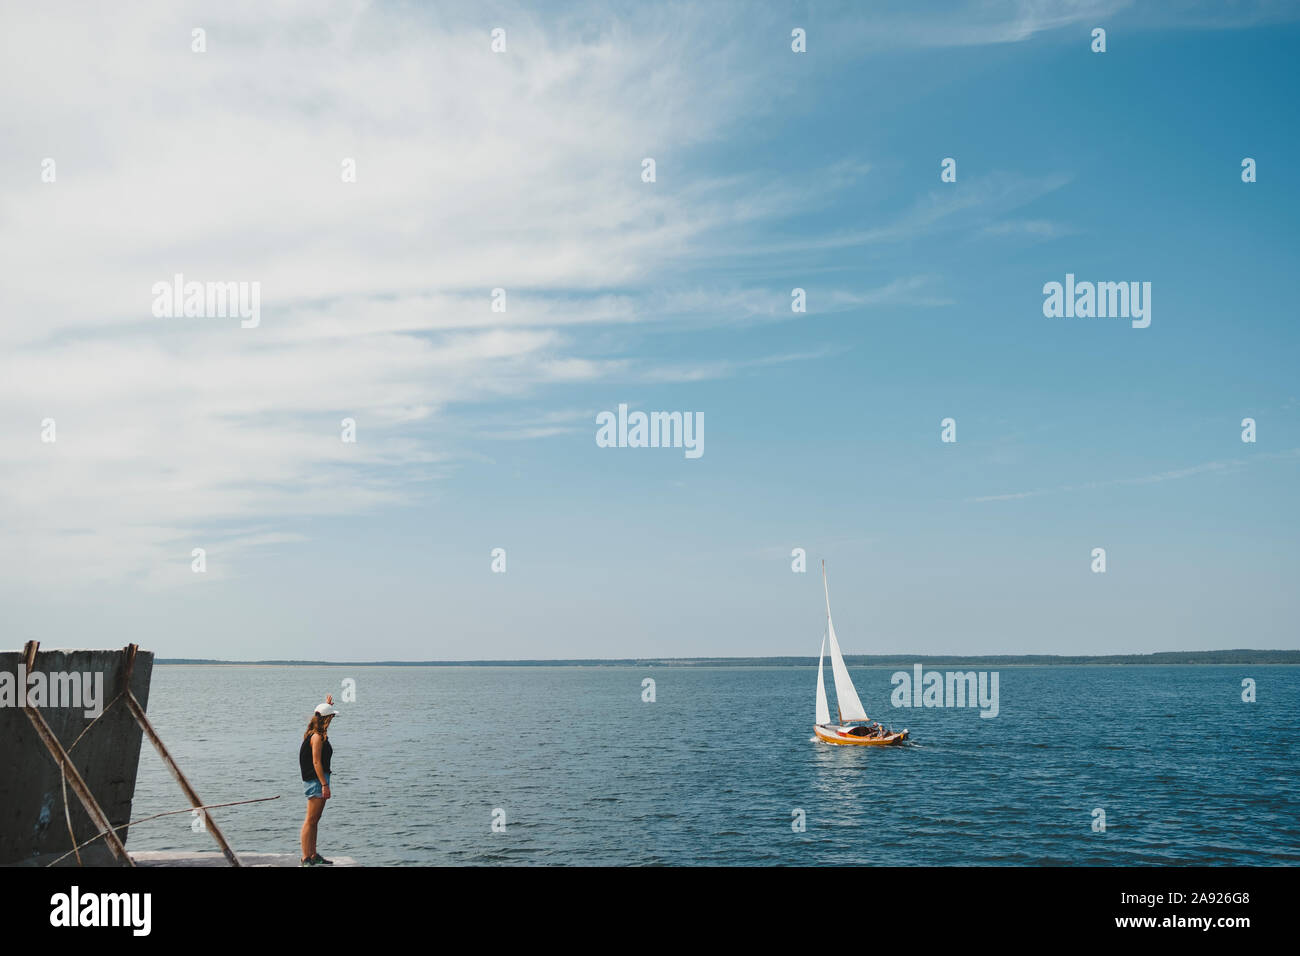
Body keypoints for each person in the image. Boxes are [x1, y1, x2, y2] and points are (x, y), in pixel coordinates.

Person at [299, 696, 339, 867]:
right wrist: (324, 784)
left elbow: (321, 717)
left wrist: (327, 706)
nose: (333, 720)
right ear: (326, 719)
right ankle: (305, 858)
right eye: (331, 717)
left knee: (315, 820)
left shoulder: (318, 732)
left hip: (318, 779)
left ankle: (313, 855)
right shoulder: (316, 737)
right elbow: (316, 762)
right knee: (310, 820)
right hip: (316, 780)